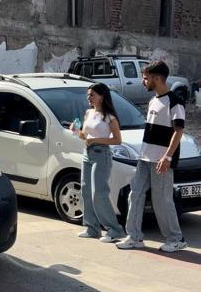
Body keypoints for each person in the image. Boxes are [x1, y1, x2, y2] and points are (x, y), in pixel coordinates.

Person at [117, 61, 188, 252]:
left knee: (162, 201)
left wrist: (167, 157)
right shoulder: (153, 100)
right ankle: (134, 237)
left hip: (161, 160)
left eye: (145, 77)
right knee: (135, 194)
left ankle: (176, 239)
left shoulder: (174, 101)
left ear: (157, 78)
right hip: (145, 158)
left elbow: (178, 131)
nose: (143, 81)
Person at [70, 83, 126, 242]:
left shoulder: (110, 117)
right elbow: (84, 136)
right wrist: (75, 130)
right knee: (86, 191)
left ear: (102, 96)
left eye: (92, 95)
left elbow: (117, 140)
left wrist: (96, 140)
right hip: (87, 154)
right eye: (88, 95)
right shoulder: (88, 113)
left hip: (102, 155)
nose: (89, 97)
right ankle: (92, 228)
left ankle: (115, 230)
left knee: (99, 194)